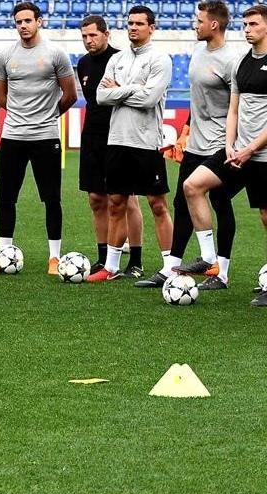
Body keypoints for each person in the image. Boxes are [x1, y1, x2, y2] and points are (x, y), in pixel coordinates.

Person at [138, 0, 242, 289]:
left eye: (199, 21)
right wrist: (184, 132)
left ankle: (220, 271)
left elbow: (239, 107)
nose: (194, 25)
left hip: (221, 143)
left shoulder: (232, 61)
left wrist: (233, 143)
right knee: (181, 202)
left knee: (221, 202)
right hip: (196, 143)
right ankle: (172, 268)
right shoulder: (197, 53)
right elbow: (197, 103)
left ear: (214, 24)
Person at [182, 4, 267, 306]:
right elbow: (233, 109)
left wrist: (251, 148)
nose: (247, 29)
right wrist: (230, 145)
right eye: (245, 24)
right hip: (237, 151)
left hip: (261, 155)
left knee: (266, 216)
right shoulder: (241, 63)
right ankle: (208, 258)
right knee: (193, 186)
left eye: (254, 24)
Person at [85, 6, 173, 283]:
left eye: (139, 23)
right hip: (117, 140)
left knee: (157, 203)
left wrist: (119, 91)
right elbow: (101, 96)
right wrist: (135, 89)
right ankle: (111, 267)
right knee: (116, 202)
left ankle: (170, 266)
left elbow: (149, 100)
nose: (133, 28)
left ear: (152, 27)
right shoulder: (118, 59)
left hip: (146, 142)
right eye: (130, 23)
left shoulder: (161, 59)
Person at [0, 2, 77, 275]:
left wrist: (49, 116)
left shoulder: (55, 53)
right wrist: (20, 116)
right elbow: (0, 96)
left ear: (39, 21)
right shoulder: (5, 54)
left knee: (51, 198)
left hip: (45, 136)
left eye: (28, 20)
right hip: (13, 136)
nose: (23, 26)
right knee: (6, 196)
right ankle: (4, 252)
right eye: (19, 22)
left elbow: (70, 95)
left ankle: (54, 258)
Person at [76, 15, 144, 275]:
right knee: (96, 198)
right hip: (92, 134)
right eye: (84, 36)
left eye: (93, 35)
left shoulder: (121, 59)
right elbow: (94, 101)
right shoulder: (82, 64)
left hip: (119, 135)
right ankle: (104, 258)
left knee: (127, 199)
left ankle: (135, 260)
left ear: (106, 34)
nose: (88, 41)